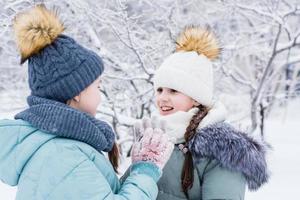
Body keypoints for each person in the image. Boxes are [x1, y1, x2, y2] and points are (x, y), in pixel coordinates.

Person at [0, 5, 174, 200]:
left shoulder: (62, 145)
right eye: (97, 86)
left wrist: (139, 168)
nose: (100, 96)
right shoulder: (62, 155)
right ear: (77, 92)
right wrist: (145, 172)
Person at [134, 26, 269, 200]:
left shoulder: (224, 149)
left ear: (196, 98)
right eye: (159, 90)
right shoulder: (154, 138)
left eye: (173, 91)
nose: (163, 98)